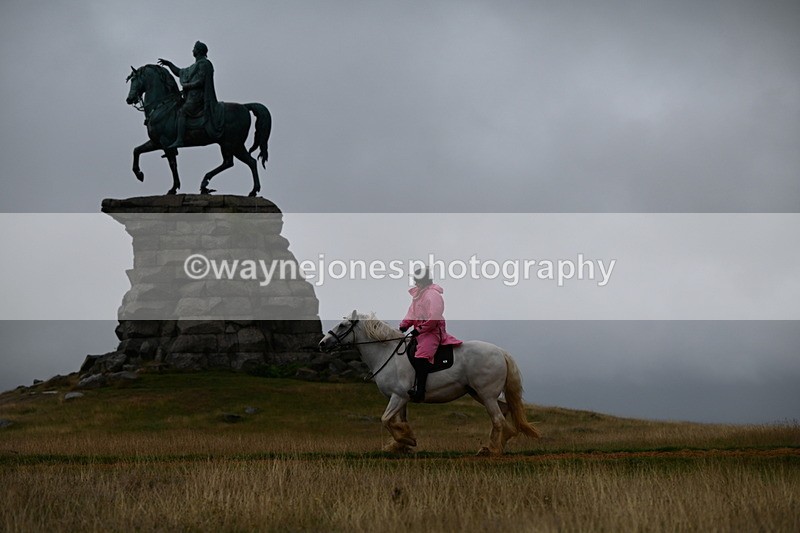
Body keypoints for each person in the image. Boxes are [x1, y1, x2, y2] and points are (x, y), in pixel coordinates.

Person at [399, 267, 462, 402]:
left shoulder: (432, 295)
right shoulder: (418, 295)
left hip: (431, 332)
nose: (415, 283)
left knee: (422, 356)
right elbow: (412, 313)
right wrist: (404, 325)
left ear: (423, 281)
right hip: (420, 333)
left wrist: (420, 329)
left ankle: (420, 392)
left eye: (417, 280)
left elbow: (434, 318)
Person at [158, 41, 224, 149]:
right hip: (190, 97)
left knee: (182, 111)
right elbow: (180, 72)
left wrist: (187, 86)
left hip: (198, 97)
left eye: (194, 48)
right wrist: (169, 64)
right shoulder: (194, 66)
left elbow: (201, 81)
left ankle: (179, 140)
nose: (192, 50)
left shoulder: (205, 64)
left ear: (198, 51)